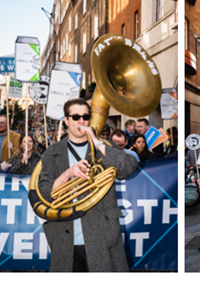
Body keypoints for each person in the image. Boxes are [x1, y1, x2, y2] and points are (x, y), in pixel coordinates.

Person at [34, 98, 137, 271]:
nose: (81, 121)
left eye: (85, 116)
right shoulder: (53, 152)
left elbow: (127, 168)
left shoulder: (103, 146)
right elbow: (44, 193)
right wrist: (68, 173)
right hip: (65, 235)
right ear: (66, 120)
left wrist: (97, 142)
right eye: (75, 117)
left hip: (102, 234)